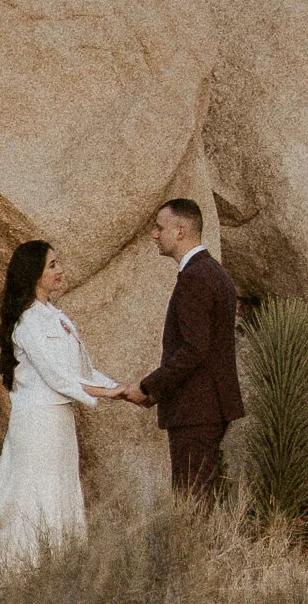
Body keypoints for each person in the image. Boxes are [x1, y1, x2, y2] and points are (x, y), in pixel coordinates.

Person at [0, 235, 124, 564]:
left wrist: (120, 389)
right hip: (37, 424)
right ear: (35, 275)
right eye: (52, 265)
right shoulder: (28, 323)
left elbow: (81, 369)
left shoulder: (56, 317)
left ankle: (59, 571)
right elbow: (56, 376)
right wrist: (108, 393)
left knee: (60, 492)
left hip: (59, 423)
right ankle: (21, 576)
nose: (60, 271)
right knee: (34, 496)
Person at [117, 196, 243, 501]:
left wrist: (148, 386)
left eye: (160, 228)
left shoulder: (196, 278)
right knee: (200, 499)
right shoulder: (214, 273)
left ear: (181, 231)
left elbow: (193, 350)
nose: (154, 234)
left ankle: (196, 551)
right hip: (206, 408)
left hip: (196, 410)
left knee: (192, 504)